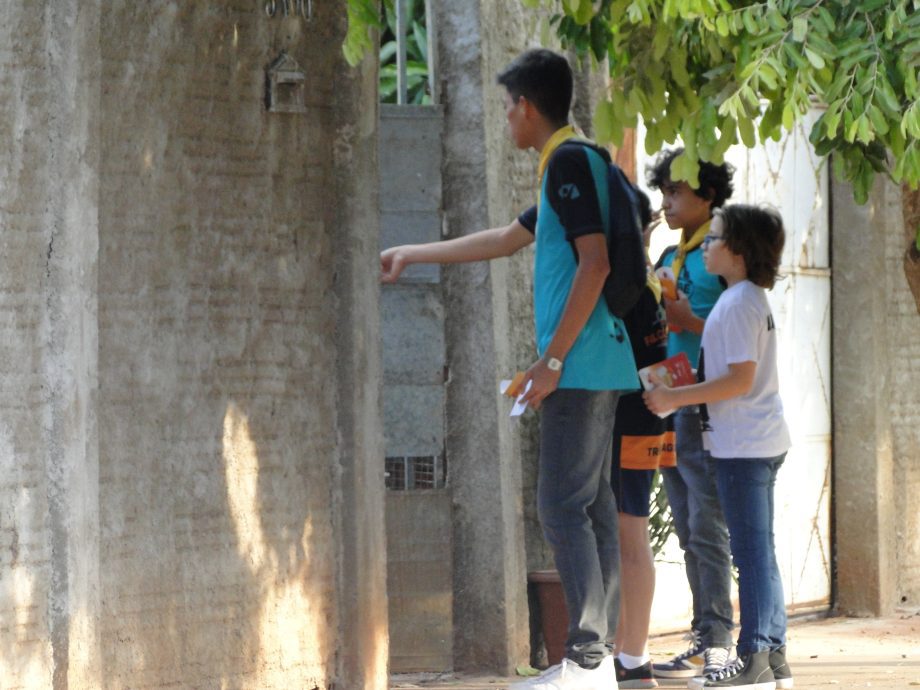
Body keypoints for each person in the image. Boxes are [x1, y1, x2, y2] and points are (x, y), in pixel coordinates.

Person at [381, 48, 638, 690]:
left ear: (525, 107)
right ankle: (596, 660)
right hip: (600, 358)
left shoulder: (570, 165)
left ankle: (585, 661)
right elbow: (502, 239)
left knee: (560, 504)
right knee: (591, 506)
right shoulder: (574, 162)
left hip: (577, 364)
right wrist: (412, 253)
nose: (504, 119)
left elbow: (596, 264)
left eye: (506, 108)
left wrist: (550, 360)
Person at [644, 204, 792, 689]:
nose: (706, 244)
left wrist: (672, 398)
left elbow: (737, 381)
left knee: (749, 553)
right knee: (759, 550)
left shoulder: (735, 303)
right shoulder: (745, 298)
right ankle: (772, 655)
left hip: (743, 446)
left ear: (739, 252)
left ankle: (751, 658)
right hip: (755, 441)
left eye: (717, 238)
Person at [645, 149, 736, 681]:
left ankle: (720, 637)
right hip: (668, 399)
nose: (668, 203)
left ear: (707, 196)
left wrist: (687, 319)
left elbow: (737, 329)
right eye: (663, 194)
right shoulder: (670, 250)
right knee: (685, 520)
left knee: (707, 520)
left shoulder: (722, 253)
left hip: (705, 402)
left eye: (676, 193)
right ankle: (706, 633)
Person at [608, 188, 672, 690]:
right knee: (630, 534)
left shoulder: (628, 282)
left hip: (639, 413)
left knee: (631, 535)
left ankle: (634, 659)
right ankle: (628, 653)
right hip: (649, 411)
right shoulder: (645, 276)